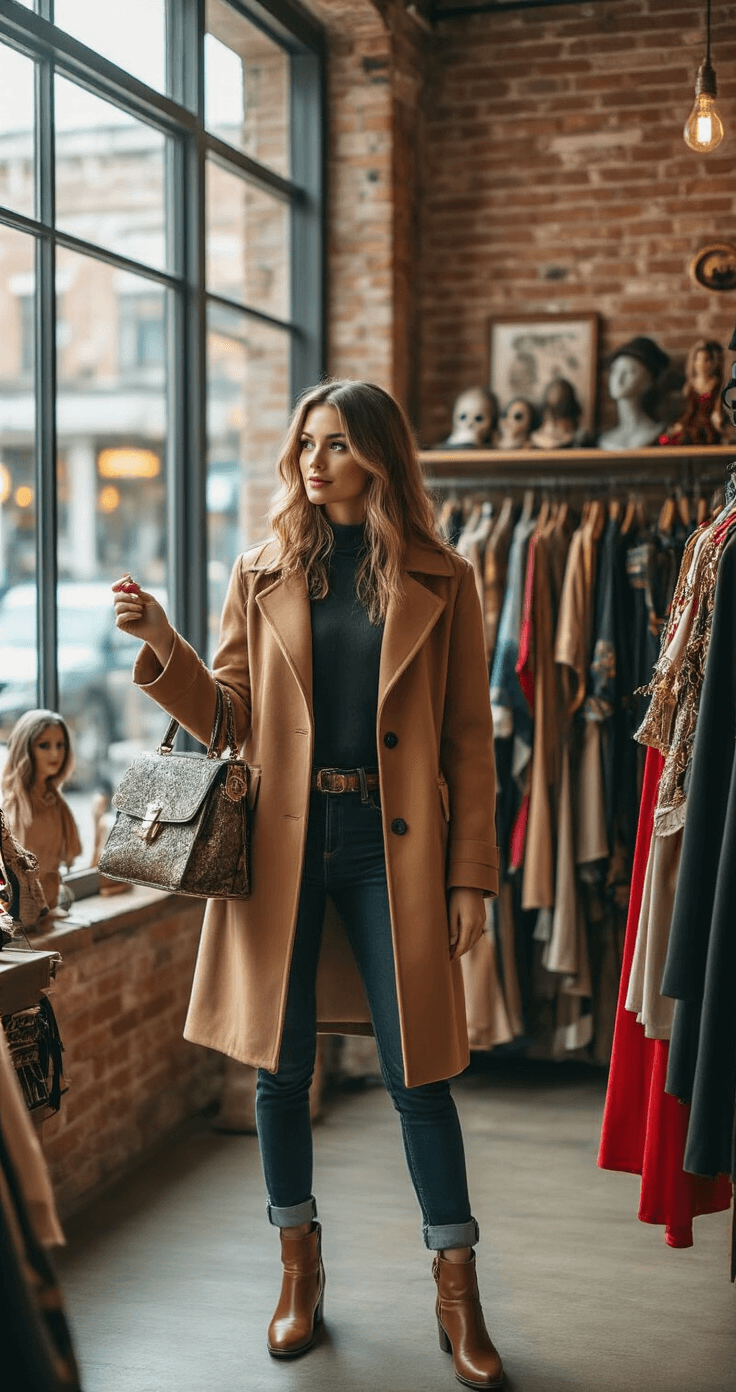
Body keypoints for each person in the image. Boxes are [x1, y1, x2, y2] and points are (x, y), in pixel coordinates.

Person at [112, 379, 505, 1390]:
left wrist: (471, 879)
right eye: (304, 442)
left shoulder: (442, 577)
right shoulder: (263, 567)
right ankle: (299, 1272)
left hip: (393, 845)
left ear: (377, 454)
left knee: (422, 1073)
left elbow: (469, 743)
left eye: (334, 443)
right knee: (279, 1072)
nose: (312, 460)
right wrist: (165, 645)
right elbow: (230, 716)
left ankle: (457, 1294)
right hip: (281, 848)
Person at [0, 710, 81, 915]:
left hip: (50, 904)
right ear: (26, 749)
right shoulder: (14, 808)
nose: (55, 754)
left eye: (60, 745)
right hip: (21, 909)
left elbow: (70, 854)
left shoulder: (57, 803)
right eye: (44, 746)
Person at [597, 336, 670, 451]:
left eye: (630, 371)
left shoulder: (658, 434)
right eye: (615, 370)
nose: (619, 378)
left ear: (648, 382)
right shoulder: (605, 439)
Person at [659, 339, 724, 446]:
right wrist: (679, 423)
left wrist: (717, 417)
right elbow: (685, 408)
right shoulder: (690, 385)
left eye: (706, 360)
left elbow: (717, 406)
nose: (701, 364)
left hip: (708, 423)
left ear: (713, 362)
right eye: (697, 359)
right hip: (691, 422)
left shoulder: (716, 384)